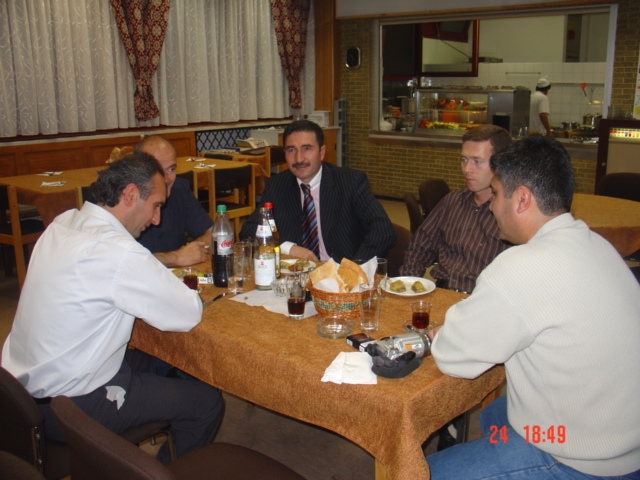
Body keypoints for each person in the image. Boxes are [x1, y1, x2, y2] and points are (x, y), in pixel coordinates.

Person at [426, 136, 640, 479]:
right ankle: (502, 454)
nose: (492, 206)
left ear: (522, 198)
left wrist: (441, 333)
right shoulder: (596, 244)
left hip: (585, 459)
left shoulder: (519, 266)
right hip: (625, 435)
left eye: (497, 194)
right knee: (494, 415)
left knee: (420, 473)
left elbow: (454, 357)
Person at [1, 153, 223, 465]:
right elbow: (187, 312)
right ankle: (158, 472)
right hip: (70, 405)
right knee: (206, 402)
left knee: (160, 358)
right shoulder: (119, 251)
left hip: (18, 393)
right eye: (156, 205)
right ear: (130, 194)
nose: (156, 219)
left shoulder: (63, 223)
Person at [240, 120, 395, 263]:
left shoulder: (350, 182)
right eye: (291, 150)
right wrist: (287, 248)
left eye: (306, 149)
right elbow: (249, 231)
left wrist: (354, 269)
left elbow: (383, 230)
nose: (298, 158)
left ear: (322, 152)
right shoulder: (277, 185)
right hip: (295, 274)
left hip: (340, 272)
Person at [400, 124, 512, 294]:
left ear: (502, 164)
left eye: (477, 162)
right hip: (443, 293)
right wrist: (409, 286)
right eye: (464, 160)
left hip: (481, 299)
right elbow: (419, 247)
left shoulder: (513, 214)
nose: (467, 169)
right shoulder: (453, 201)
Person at [136, 135, 213, 267]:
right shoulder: (127, 201)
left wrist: (195, 250)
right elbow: (124, 261)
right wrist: (176, 257)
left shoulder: (179, 189)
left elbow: (212, 234)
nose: (166, 179)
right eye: (158, 171)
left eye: (171, 169)